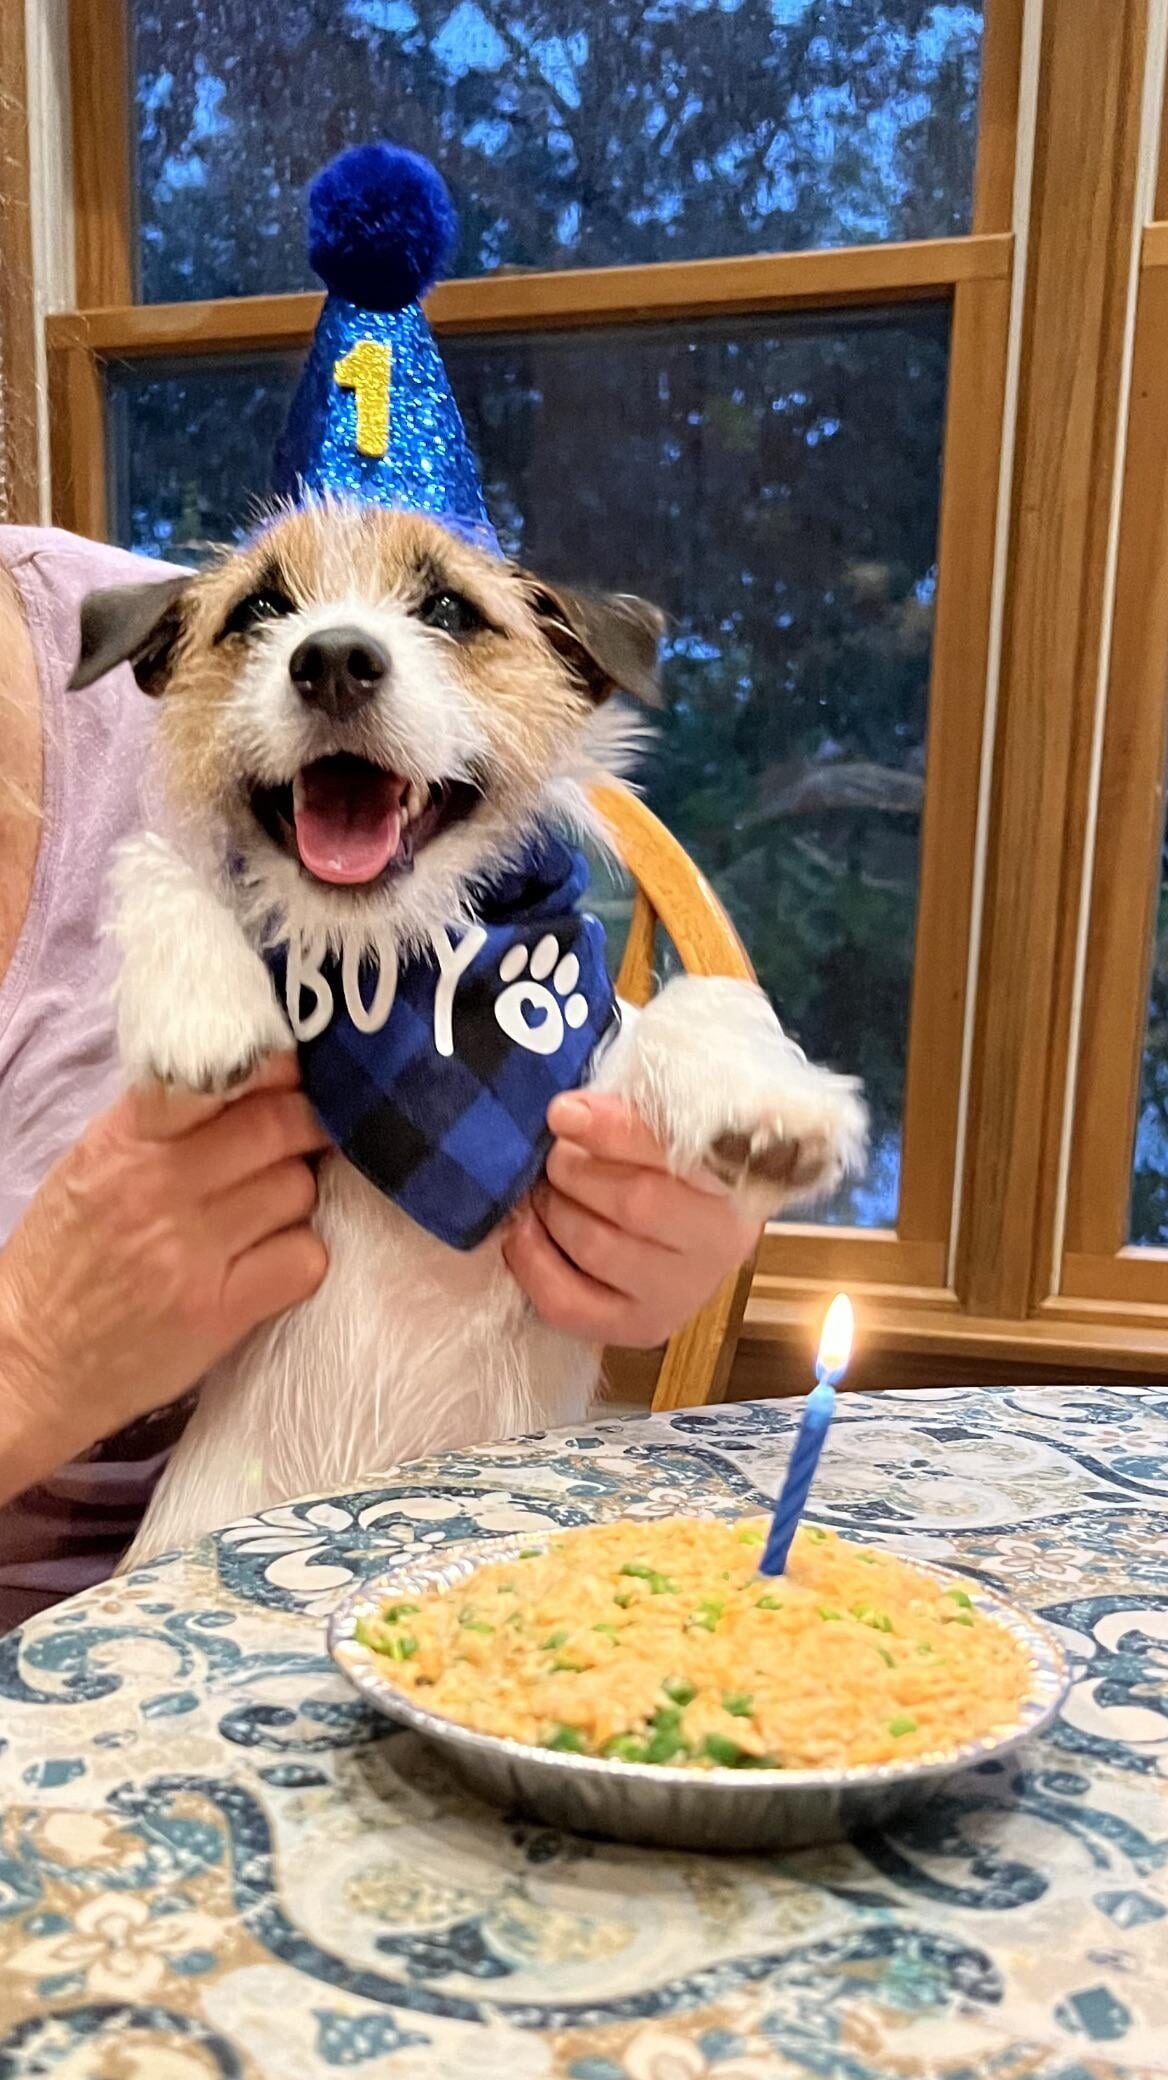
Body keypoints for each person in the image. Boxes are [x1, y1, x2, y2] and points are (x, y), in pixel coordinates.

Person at [0, 526, 762, 1626]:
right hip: (164, 1627)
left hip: (483, 1577)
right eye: (261, 615)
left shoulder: (92, 609)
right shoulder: (186, 893)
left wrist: (690, 1156)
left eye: (447, 612)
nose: (334, 652)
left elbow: (549, 1023)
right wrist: (28, 1351)